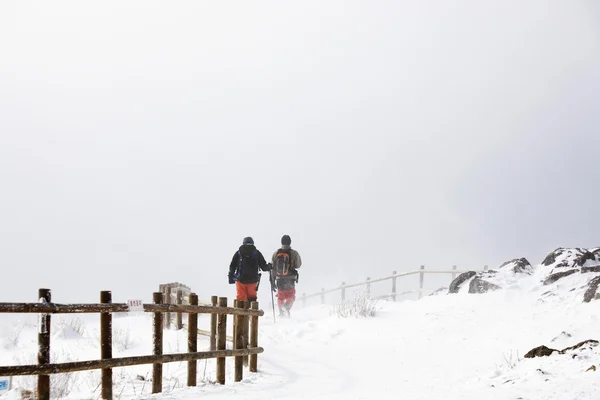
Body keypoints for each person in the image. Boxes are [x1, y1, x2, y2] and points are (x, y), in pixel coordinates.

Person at [228, 237, 270, 302]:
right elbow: (264, 267)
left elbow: (232, 266)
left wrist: (230, 277)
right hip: (252, 281)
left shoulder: (239, 253)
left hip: (240, 280)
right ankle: (252, 311)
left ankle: (240, 311)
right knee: (252, 299)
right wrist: (269, 267)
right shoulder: (256, 253)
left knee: (240, 299)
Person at [271, 234, 302, 317]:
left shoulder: (276, 253)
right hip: (290, 279)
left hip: (279, 279)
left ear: (281, 242)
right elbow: (298, 265)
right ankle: (286, 307)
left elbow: (273, 267)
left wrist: (272, 280)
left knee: (281, 296)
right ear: (290, 242)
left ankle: (281, 311)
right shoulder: (294, 253)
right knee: (290, 295)